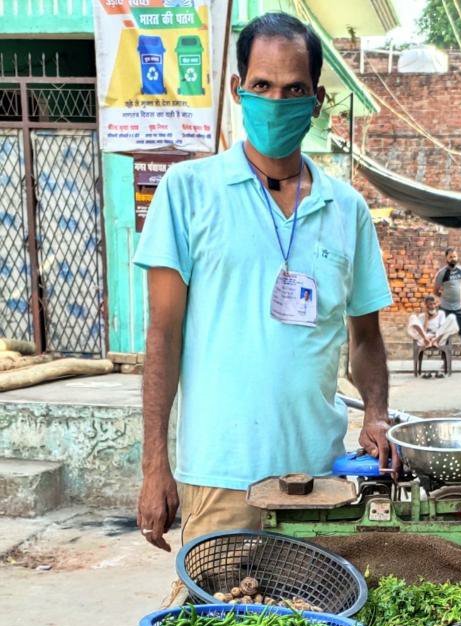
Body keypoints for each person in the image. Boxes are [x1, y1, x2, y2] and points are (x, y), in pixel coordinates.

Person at [134, 13, 394, 549]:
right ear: (238, 90)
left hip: (320, 480)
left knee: (316, 624)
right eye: (262, 86)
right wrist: (154, 465)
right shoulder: (187, 192)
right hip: (220, 476)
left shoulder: (347, 210)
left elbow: (365, 336)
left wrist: (376, 412)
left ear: (316, 101)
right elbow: (164, 335)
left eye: (294, 89)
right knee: (221, 623)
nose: (277, 101)